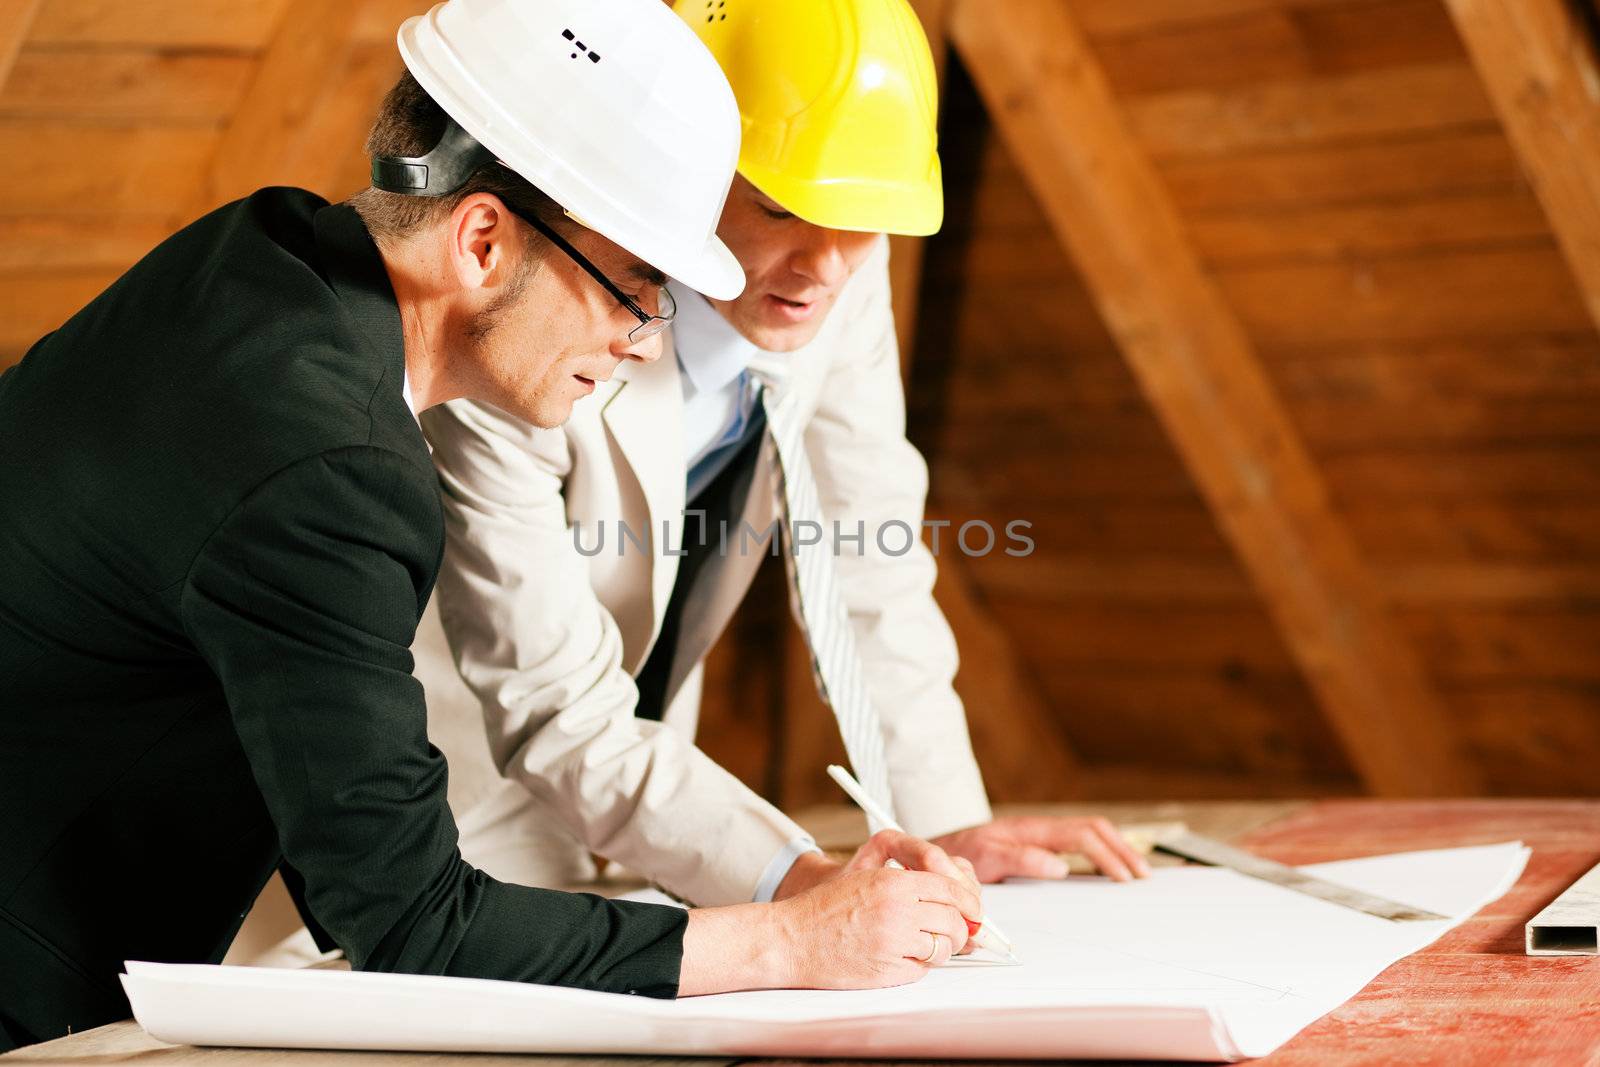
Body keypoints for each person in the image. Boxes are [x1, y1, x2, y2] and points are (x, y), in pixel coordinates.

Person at [0, 0, 983, 1051]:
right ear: (479, 239)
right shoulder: (333, 472)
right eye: (634, 285)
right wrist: (790, 942)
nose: (648, 344)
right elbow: (411, 925)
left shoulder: (260, 252)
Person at [418, 0, 1150, 914]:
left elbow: (869, 554)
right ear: (682, 164)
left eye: (863, 222)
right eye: (779, 208)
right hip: (441, 825)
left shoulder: (837, 264)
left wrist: (948, 830)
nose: (827, 269)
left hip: (639, 840)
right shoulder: (529, 308)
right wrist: (795, 878)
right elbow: (552, 705)